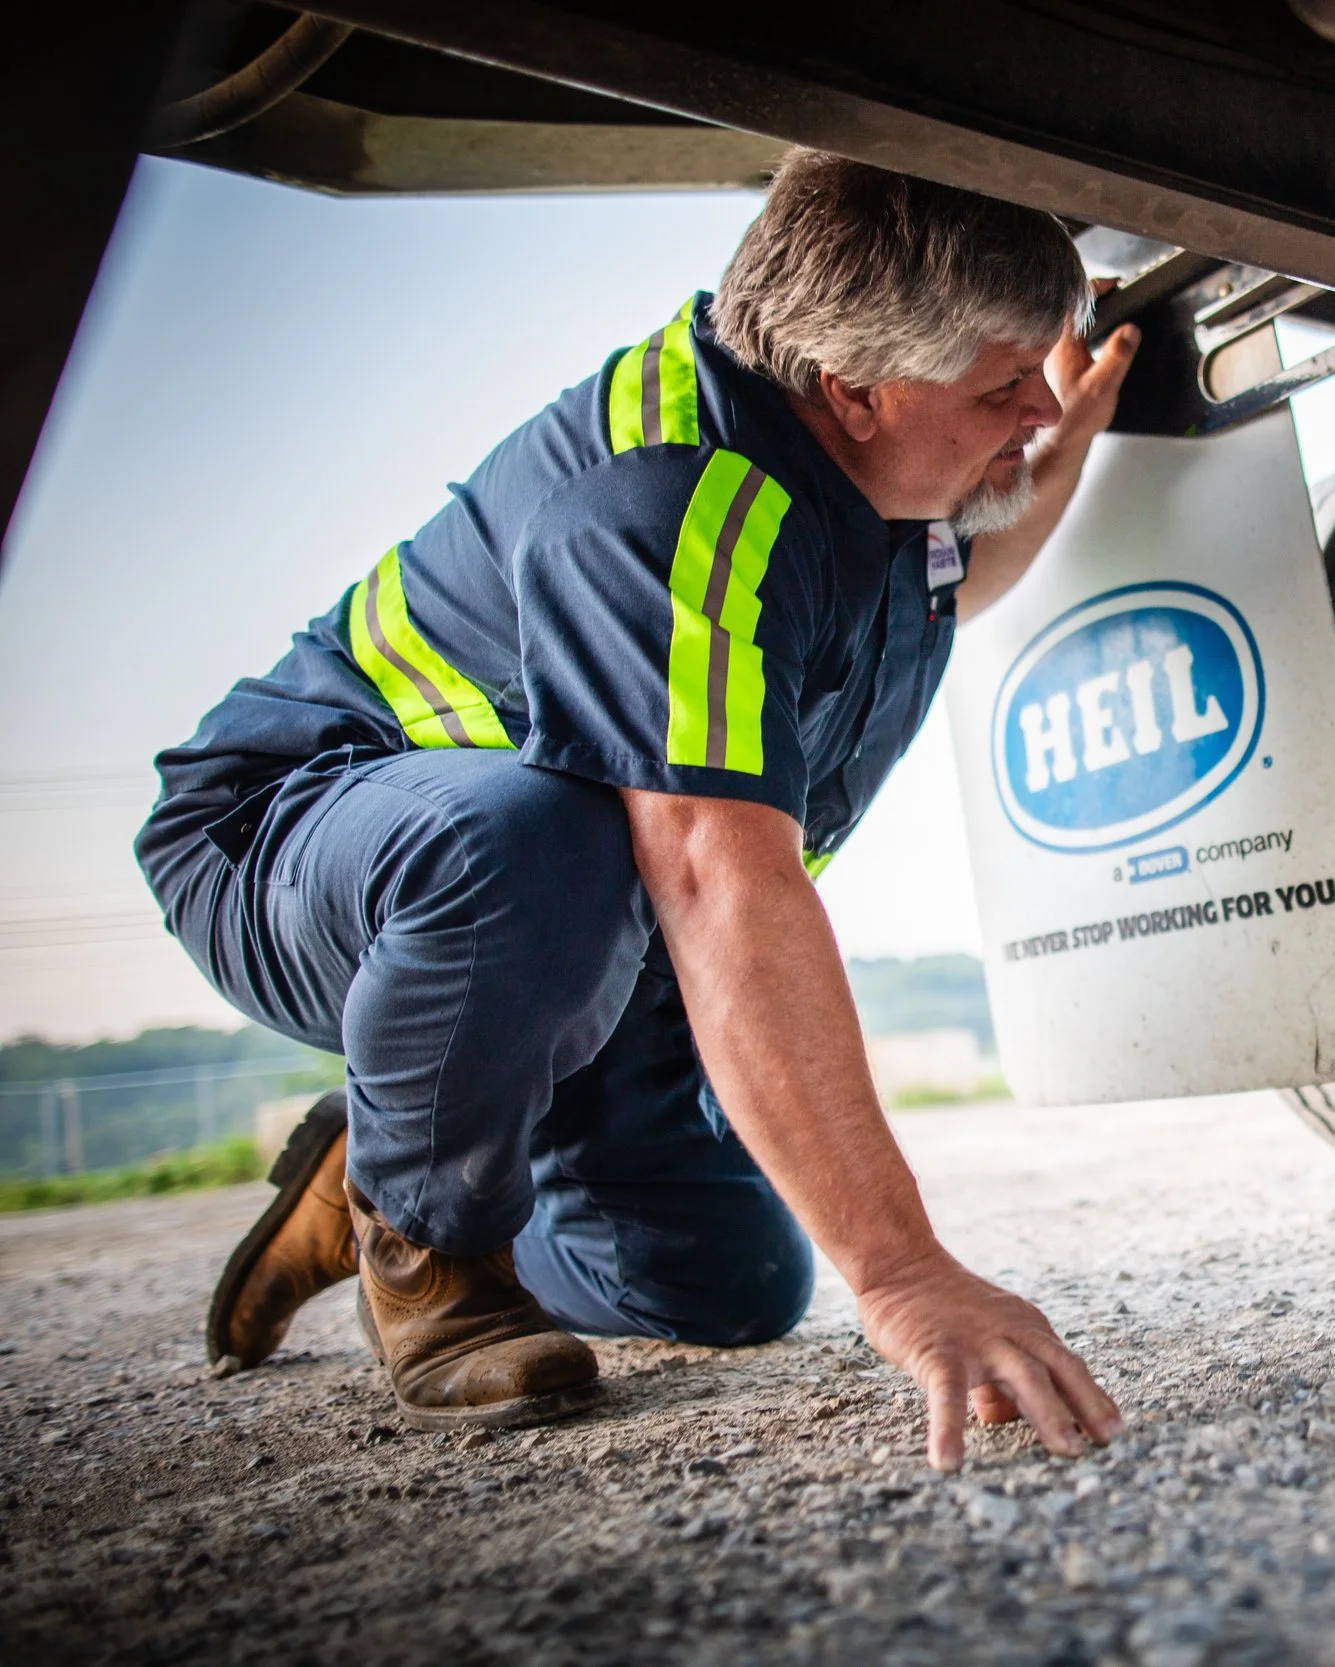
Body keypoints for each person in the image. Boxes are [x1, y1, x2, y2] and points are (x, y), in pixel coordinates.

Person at [134, 151, 1141, 1469]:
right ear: (851, 388)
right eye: (1003, 389)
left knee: (721, 1282)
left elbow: (962, 560)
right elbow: (714, 874)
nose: (1028, 410)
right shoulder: (682, 493)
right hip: (295, 838)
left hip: (573, 930)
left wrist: (1042, 449)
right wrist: (901, 1272)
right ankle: (430, 1245)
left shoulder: (880, 469)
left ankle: (397, 1139)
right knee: (528, 838)